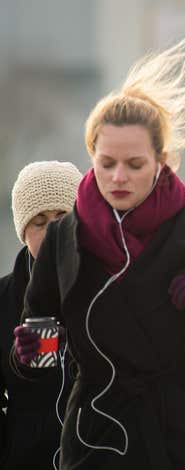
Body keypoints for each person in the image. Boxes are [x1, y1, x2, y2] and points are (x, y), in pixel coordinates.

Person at [13, 33, 185, 470]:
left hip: (183, 438)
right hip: (96, 436)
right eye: (106, 163)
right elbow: (41, 346)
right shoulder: (64, 238)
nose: (118, 177)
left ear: (162, 161)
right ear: (91, 156)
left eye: (134, 164)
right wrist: (31, 352)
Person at [1, 161, 82, 469]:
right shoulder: (4, 298)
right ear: (23, 231)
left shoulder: (110, 290)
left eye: (63, 217)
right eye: (39, 221)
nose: (54, 230)